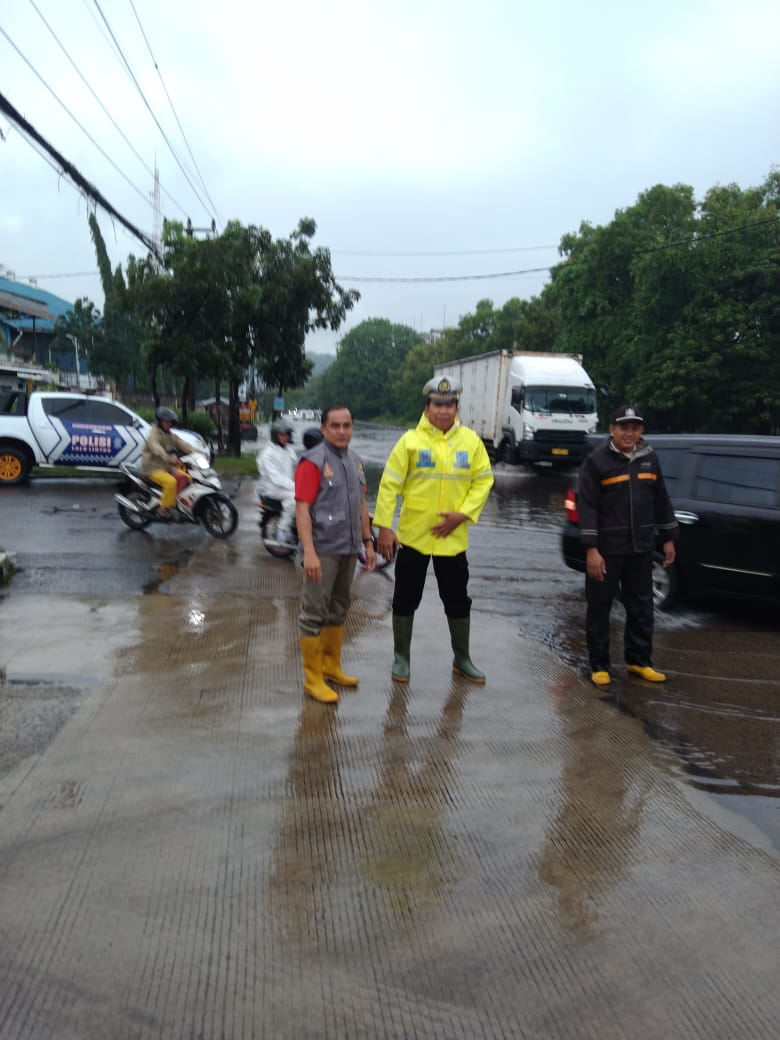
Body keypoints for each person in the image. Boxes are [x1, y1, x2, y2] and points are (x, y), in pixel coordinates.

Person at [374, 376, 494, 684]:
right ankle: (401, 658)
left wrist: (463, 515)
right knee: (405, 597)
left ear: (457, 408)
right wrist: (385, 527)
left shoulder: (471, 442)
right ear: (427, 408)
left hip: (452, 539)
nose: (443, 410)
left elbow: (484, 481)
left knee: (457, 600)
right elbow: (389, 485)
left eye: (449, 404)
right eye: (437, 404)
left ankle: (462, 659)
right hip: (412, 538)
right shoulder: (410, 442)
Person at [577, 404, 678, 687]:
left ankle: (639, 661)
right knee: (600, 607)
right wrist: (591, 549)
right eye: (624, 427)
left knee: (642, 607)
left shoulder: (649, 459)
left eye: (635, 428)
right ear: (612, 429)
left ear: (641, 430)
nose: (629, 433)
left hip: (641, 548)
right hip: (606, 550)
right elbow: (587, 507)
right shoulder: (596, 461)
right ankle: (599, 665)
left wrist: (669, 538)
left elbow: (661, 499)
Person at [295, 405, 376, 704]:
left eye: (347, 425)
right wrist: (309, 552)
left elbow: (362, 505)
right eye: (335, 426)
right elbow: (302, 509)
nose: (342, 431)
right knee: (313, 612)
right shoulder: (312, 462)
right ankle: (312, 678)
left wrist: (368, 542)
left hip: (349, 548)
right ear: (324, 428)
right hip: (323, 550)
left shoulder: (355, 461)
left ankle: (331, 666)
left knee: (339, 607)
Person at [141, 406, 193, 517]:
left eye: (170, 422)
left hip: (166, 466)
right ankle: (163, 509)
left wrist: (199, 452)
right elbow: (157, 449)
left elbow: (183, 444)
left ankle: (175, 503)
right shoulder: (154, 435)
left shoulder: (169, 434)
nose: (169, 424)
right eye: (166, 422)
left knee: (187, 478)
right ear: (160, 422)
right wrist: (170, 459)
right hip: (152, 468)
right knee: (171, 482)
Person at [257, 419, 298, 544]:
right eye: (282, 435)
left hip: (286, 486)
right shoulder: (267, 454)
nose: (285, 437)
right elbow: (276, 478)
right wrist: (296, 486)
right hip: (272, 488)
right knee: (296, 498)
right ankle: (283, 529)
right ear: (275, 435)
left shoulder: (288, 449)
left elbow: (297, 466)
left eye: (287, 434)